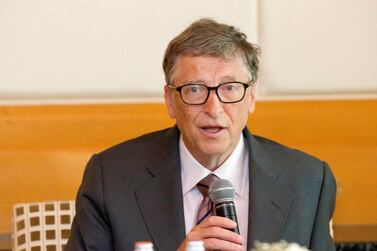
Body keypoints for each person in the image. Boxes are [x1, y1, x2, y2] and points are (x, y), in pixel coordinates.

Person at [66, 18, 336, 251]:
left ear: (251, 97)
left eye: (230, 88)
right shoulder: (111, 178)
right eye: (195, 90)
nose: (214, 109)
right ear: (170, 100)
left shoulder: (308, 181)